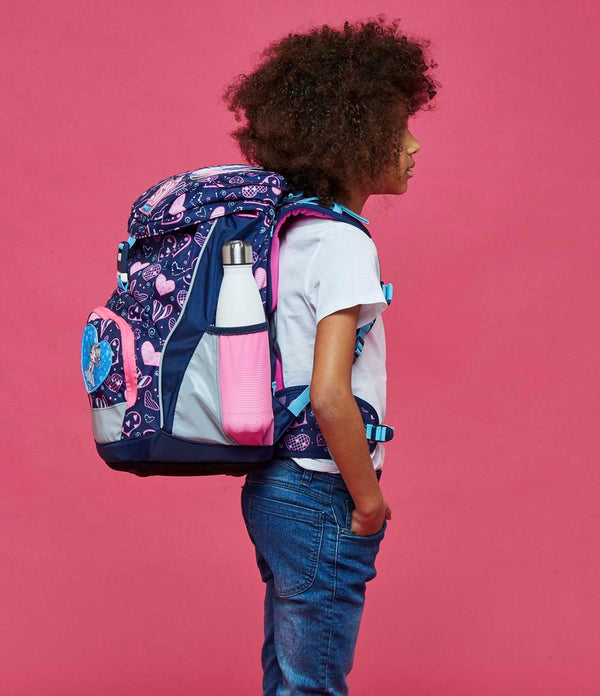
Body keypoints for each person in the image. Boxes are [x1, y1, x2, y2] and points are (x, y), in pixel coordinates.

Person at [222, 15, 439, 695]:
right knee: (312, 684)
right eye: (398, 128)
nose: (413, 146)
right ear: (351, 139)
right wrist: (368, 500)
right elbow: (329, 393)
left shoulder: (289, 235)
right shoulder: (345, 244)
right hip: (320, 488)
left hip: (272, 484)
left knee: (289, 675)